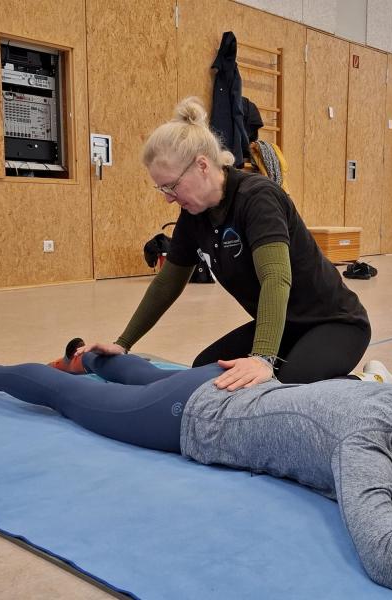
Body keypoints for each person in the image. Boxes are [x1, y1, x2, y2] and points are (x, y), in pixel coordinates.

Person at [0, 349, 392, 591]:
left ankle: (91, 356)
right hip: (190, 416)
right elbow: (391, 558)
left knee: (144, 374)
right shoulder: (365, 446)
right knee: (74, 401)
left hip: (232, 384)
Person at [79, 97, 371, 391]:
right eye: (161, 188)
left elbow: (276, 278)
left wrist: (262, 358)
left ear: (202, 165)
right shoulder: (194, 214)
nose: (168, 197)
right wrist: (123, 343)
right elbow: (167, 283)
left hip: (335, 323)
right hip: (287, 326)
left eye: (172, 185)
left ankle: (369, 382)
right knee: (204, 372)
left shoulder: (257, 198)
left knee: (279, 390)